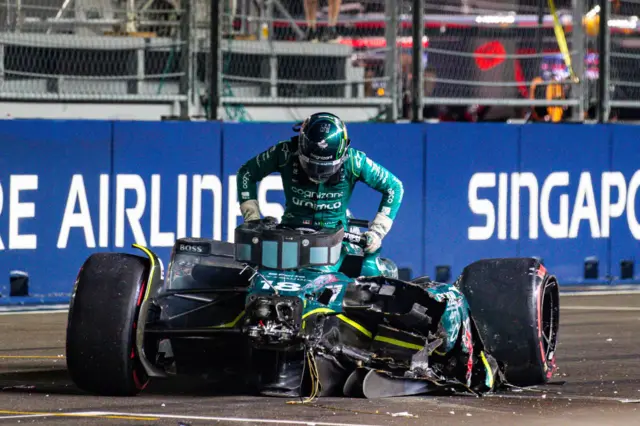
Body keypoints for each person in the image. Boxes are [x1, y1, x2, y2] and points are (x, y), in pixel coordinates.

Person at [236, 112, 403, 277]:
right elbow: (246, 173)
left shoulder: (355, 161)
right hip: (289, 235)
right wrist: (253, 220)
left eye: (325, 167)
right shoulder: (285, 152)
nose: (318, 173)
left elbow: (394, 187)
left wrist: (377, 232)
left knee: (375, 272)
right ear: (300, 148)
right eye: (312, 165)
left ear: (342, 155)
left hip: (337, 240)